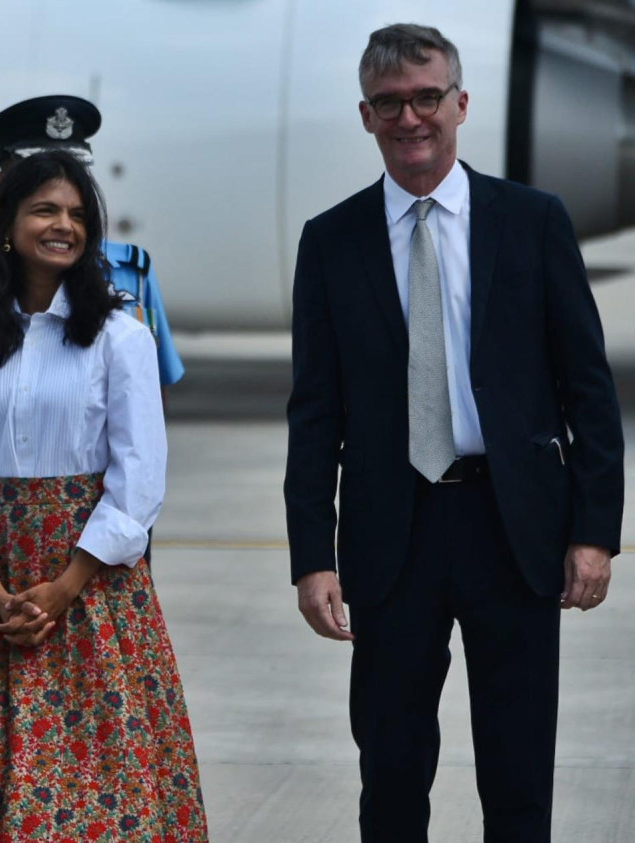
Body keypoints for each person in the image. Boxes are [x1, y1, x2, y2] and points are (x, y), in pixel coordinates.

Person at [284, 24, 624, 842]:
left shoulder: (533, 222)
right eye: (391, 103)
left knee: (518, 775)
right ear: (366, 116)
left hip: (514, 529)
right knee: (393, 774)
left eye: (427, 97)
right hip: (391, 535)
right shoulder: (331, 242)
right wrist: (312, 554)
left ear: (460, 103)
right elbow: (315, 412)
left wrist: (594, 532)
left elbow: (588, 388)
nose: (411, 118)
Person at [0, 94, 185, 841]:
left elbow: (138, 480)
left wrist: (63, 588)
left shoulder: (120, 339)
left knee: (102, 784)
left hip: (91, 583)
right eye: (44, 209)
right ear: (8, 224)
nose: (63, 224)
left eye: (76, 213)